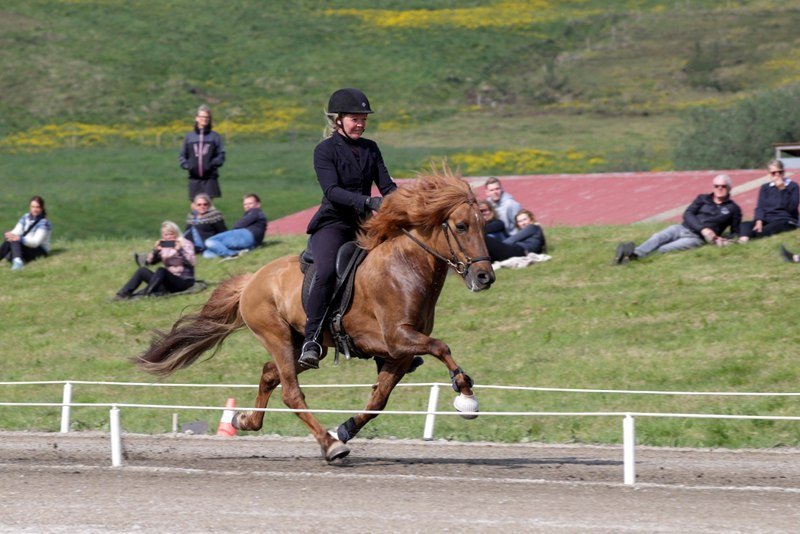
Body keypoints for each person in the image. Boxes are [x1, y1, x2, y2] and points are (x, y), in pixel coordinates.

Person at [298, 88, 397, 369]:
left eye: (364, 119)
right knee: (327, 270)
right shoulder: (324, 151)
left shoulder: (371, 148)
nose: (361, 124)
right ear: (338, 120)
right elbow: (332, 191)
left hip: (365, 223)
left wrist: (402, 203)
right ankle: (312, 338)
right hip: (334, 223)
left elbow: (387, 186)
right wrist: (368, 200)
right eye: (356, 119)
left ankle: (392, 338)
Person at [613, 174, 742, 264]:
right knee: (657, 237)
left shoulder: (733, 208)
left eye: (723, 186)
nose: (719, 188)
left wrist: (724, 240)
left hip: (696, 238)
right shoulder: (702, 198)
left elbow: (735, 231)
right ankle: (633, 255)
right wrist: (703, 229)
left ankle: (630, 258)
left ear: (729, 188)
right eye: (716, 186)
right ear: (713, 187)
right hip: (681, 228)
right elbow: (688, 214)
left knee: (665, 248)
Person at [116, 221, 195, 299]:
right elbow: (151, 262)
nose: (168, 237)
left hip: (183, 281)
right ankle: (123, 294)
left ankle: (146, 294)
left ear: (176, 233)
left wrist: (179, 250)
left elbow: (191, 262)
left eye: (171, 234)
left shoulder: (185, 243)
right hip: (167, 282)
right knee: (142, 271)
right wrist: (156, 251)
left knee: (161, 270)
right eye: (166, 235)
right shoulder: (165, 245)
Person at [739, 159, 798, 242]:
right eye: (773, 173)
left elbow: (792, 208)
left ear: (783, 172)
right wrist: (759, 220)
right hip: (768, 219)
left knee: (769, 228)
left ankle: (751, 236)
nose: (777, 175)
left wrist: (782, 189)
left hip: (785, 219)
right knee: (745, 224)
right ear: (769, 174)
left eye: (779, 172)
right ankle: (743, 240)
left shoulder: (793, 186)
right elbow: (760, 207)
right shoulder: (765, 188)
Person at [179, 104, 226, 200]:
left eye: (207, 117)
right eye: (201, 116)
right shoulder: (189, 137)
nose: (204, 119)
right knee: (195, 207)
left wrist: (211, 164)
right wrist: (189, 166)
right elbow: (182, 155)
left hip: (210, 178)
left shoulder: (215, 136)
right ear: (196, 118)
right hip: (194, 178)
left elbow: (221, 155)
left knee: (208, 207)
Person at [202, 193, 267, 259]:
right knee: (207, 253)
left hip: (246, 235)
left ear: (258, 204)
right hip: (252, 243)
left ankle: (230, 254)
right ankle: (240, 252)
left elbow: (238, 225)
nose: (247, 206)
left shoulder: (256, 211)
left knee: (210, 241)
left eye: (250, 203)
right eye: (245, 204)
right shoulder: (255, 214)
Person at [1, 195, 51, 271]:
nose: (35, 209)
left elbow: (35, 242)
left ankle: (18, 263)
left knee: (16, 240)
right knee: (11, 239)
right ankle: (17, 259)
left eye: (37, 207)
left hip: (40, 250)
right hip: (27, 246)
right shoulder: (25, 217)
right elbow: (17, 230)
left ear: (42, 208)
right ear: (30, 207)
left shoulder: (44, 223)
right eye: (33, 207)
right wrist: (10, 234)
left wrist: (20, 239)